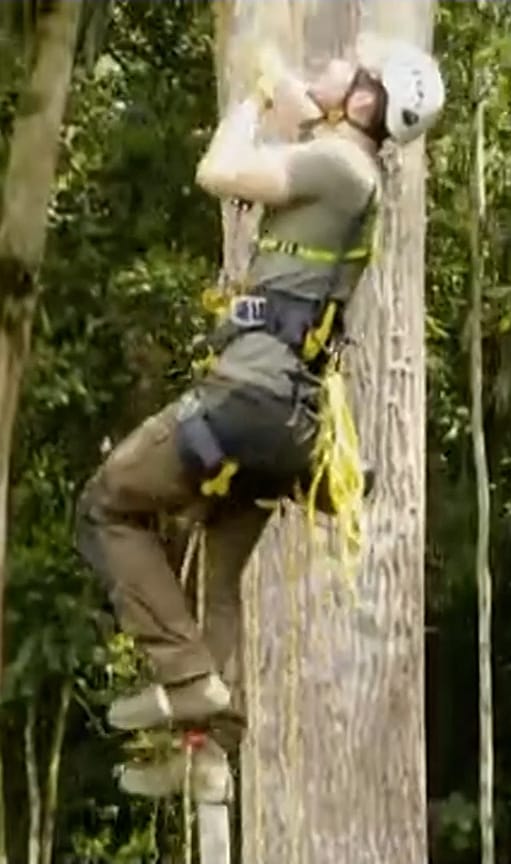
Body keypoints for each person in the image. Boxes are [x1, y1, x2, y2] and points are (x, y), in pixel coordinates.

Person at [73, 35, 445, 802]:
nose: (337, 65)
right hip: (287, 423)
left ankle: (186, 679)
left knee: (106, 504)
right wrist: (299, 103)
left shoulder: (339, 166)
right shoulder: (348, 172)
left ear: (367, 101)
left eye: (353, 68)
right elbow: (298, 144)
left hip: (248, 397)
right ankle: (210, 753)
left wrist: (249, 97)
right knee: (219, 573)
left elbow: (217, 170)